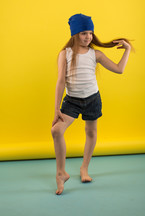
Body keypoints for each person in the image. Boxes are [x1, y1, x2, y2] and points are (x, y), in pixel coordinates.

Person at [51, 13, 134, 195]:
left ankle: (84, 169)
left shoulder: (95, 54)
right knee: (56, 130)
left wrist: (127, 50)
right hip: (72, 101)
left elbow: (119, 70)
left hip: (92, 99)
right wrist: (57, 108)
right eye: (83, 33)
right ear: (74, 34)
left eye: (90, 33)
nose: (88, 36)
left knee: (91, 132)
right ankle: (60, 172)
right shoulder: (65, 54)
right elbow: (60, 82)